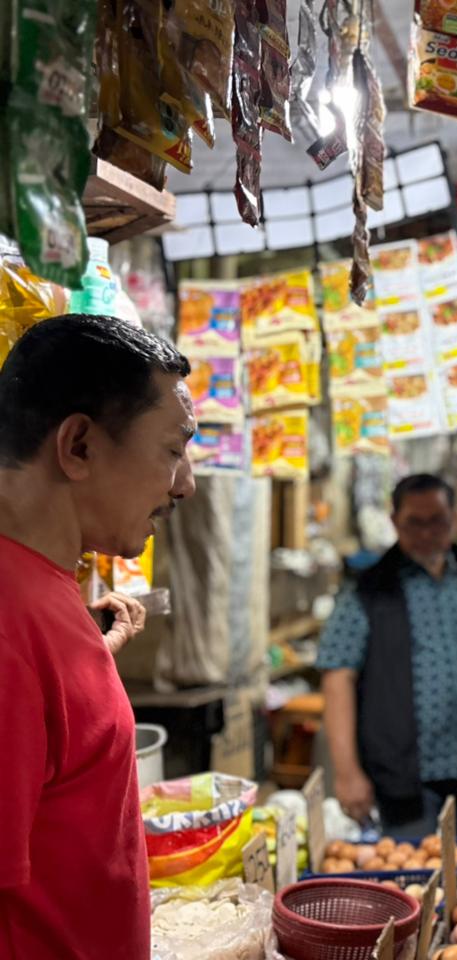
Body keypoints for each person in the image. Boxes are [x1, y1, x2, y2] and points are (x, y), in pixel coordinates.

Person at [0, 314, 196, 958]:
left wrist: (86, 664)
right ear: (78, 445)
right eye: (173, 449)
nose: (186, 483)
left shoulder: (49, 582)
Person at [319, 474, 457, 842]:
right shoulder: (370, 591)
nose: (427, 532)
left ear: (454, 518)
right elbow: (337, 675)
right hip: (404, 780)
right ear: (395, 522)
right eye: (414, 522)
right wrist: (346, 772)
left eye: (437, 520)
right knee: (417, 883)